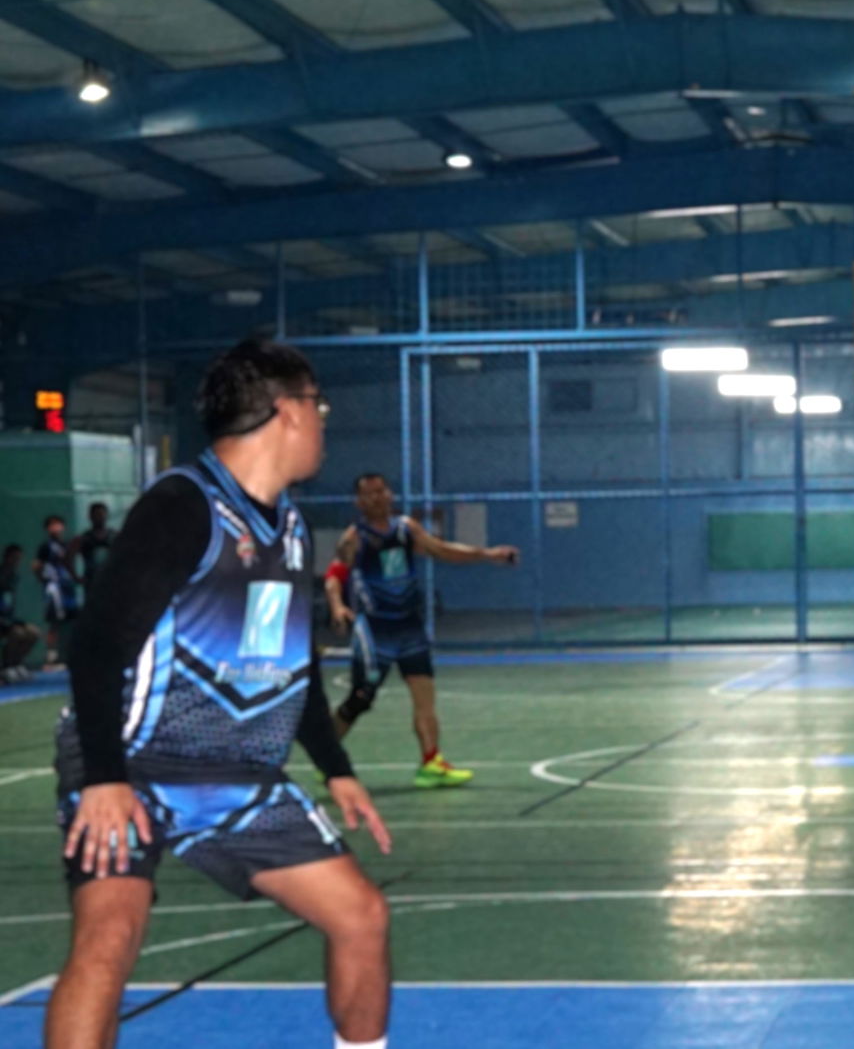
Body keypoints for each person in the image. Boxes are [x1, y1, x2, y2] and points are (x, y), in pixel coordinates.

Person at [47, 339, 393, 1049]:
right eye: (319, 406)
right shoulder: (182, 506)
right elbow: (96, 644)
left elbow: (287, 665)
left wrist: (336, 767)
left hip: (236, 774)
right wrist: (105, 778)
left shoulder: (289, 527)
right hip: (132, 761)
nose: (323, 421)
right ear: (287, 411)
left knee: (360, 916)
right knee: (109, 936)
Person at [325, 472, 519, 788]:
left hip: (409, 626)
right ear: (359, 502)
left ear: (390, 494)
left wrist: (488, 554)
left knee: (424, 695)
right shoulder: (354, 538)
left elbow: (442, 550)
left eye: (381, 491)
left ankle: (431, 762)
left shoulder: (406, 529)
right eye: (369, 493)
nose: (377, 497)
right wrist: (337, 606)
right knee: (360, 699)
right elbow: (334, 576)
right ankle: (326, 757)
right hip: (375, 630)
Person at [34, 514, 79, 669]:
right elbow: (36, 566)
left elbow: (70, 564)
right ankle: (51, 657)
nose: (56, 528)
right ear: (47, 528)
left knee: (70, 621)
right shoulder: (46, 547)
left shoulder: (66, 545)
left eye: (58, 524)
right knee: (54, 622)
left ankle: (66, 655)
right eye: (52, 525)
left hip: (68, 588)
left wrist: (75, 578)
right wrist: (45, 580)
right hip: (54, 590)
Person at [1, 542, 41, 681]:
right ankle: (6, 666)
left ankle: (16, 664)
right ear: (7, 557)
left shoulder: (13, 576)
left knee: (34, 632)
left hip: (8, 620)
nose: (17, 561)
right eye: (14, 558)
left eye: (19, 558)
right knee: (17, 633)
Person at [73, 503, 118, 597]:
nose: (99, 517)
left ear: (106, 516)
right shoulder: (84, 538)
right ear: (90, 517)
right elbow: (67, 558)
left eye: (101, 514)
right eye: (96, 514)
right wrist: (76, 577)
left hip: (111, 581)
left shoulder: (115, 536)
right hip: (92, 582)